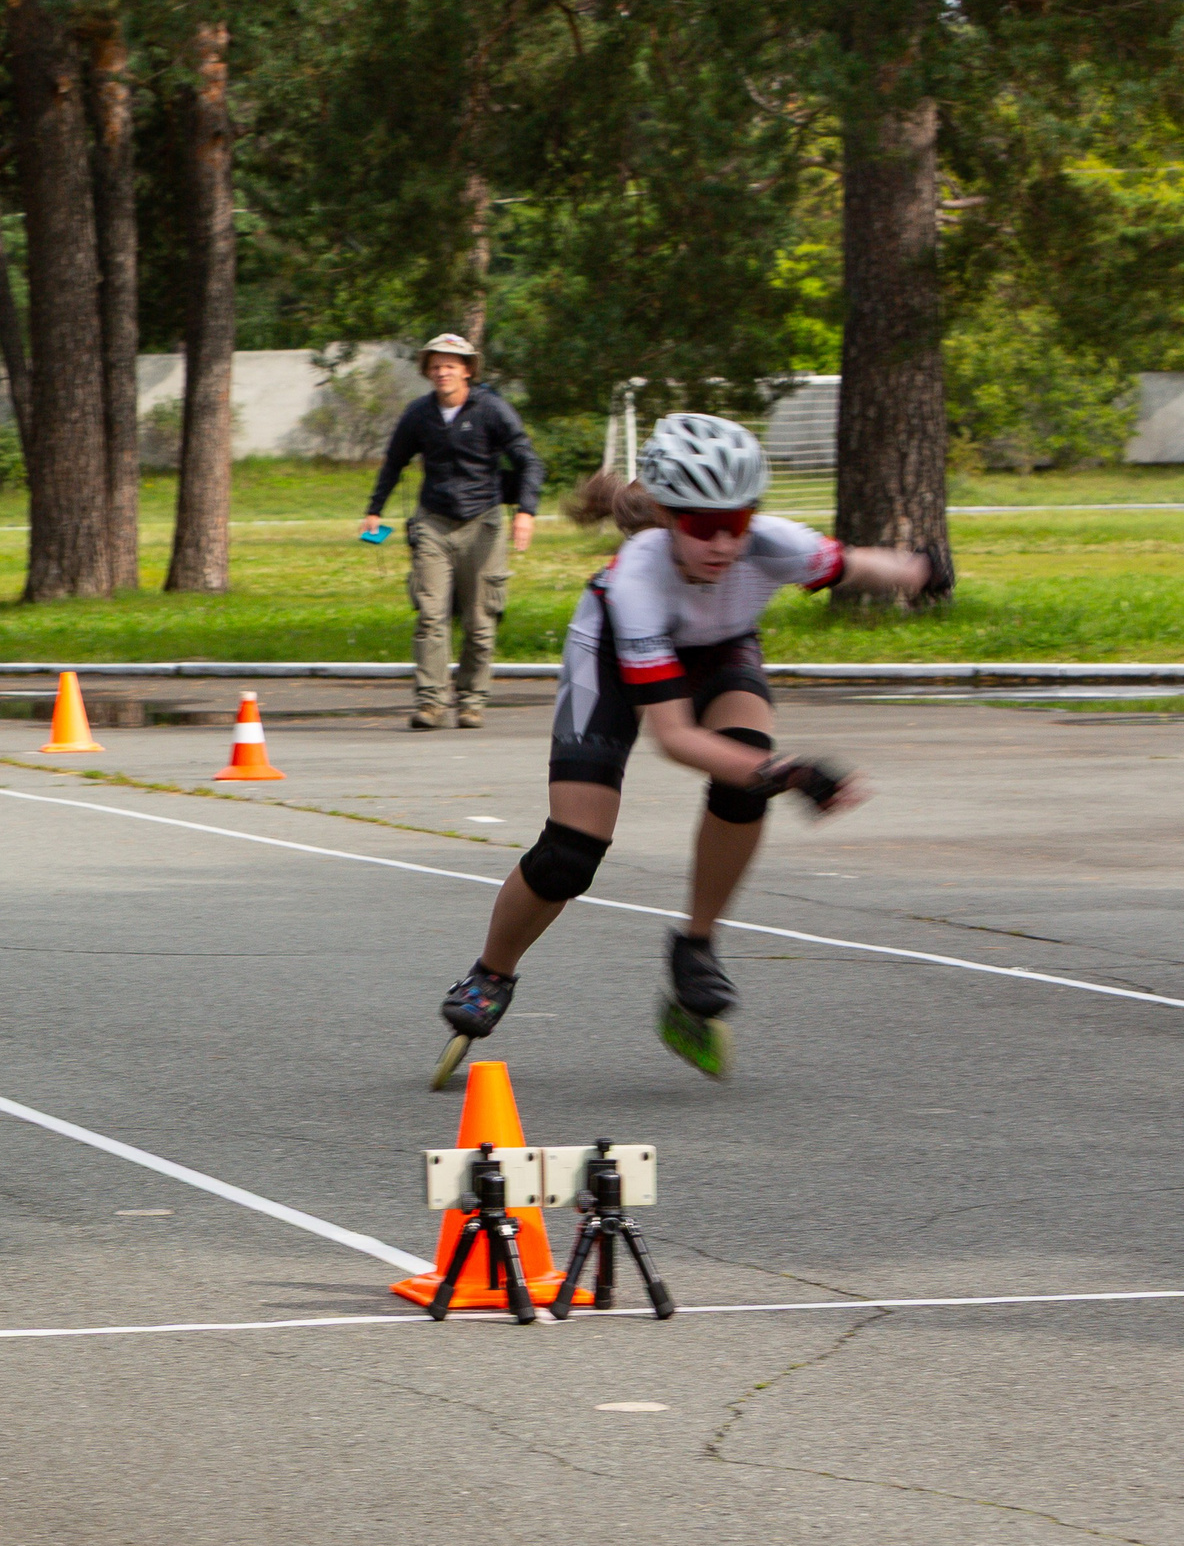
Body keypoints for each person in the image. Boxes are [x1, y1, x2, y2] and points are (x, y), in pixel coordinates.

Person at [430, 413, 933, 1087]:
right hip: (609, 653)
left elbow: (856, 564)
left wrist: (916, 570)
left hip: (720, 649)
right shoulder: (638, 579)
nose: (724, 542)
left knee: (744, 780)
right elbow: (675, 737)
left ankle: (695, 945)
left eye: (739, 521)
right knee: (571, 853)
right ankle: (492, 970)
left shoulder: (772, 542)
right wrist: (789, 771)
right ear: (666, 516)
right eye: (701, 525)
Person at [361, 334, 546, 730]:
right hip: (433, 521)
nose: (442, 371)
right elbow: (393, 463)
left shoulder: (492, 409)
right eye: (435, 365)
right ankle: (431, 702)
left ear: (467, 370)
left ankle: (472, 700)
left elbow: (529, 461)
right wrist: (374, 510)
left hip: (484, 522)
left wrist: (526, 512)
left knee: (481, 619)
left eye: (451, 364)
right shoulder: (418, 414)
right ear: (428, 372)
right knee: (431, 614)